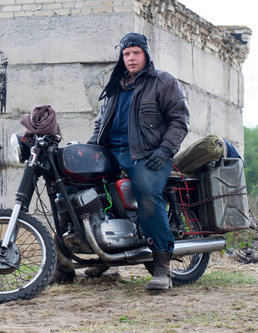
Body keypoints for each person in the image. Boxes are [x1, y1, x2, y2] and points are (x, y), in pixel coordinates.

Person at [51, 32, 190, 290]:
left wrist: (164, 150)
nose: (131, 58)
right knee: (69, 189)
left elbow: (179, 121)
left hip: (146, 155)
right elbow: (100, 124)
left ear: (146, 54)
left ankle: (161, 268)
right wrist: (88, 149)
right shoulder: (116, 85)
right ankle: (65, 265)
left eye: (136, 53)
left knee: (148, 193)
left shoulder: (163, 81)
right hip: (109, 154)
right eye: (126, 54)